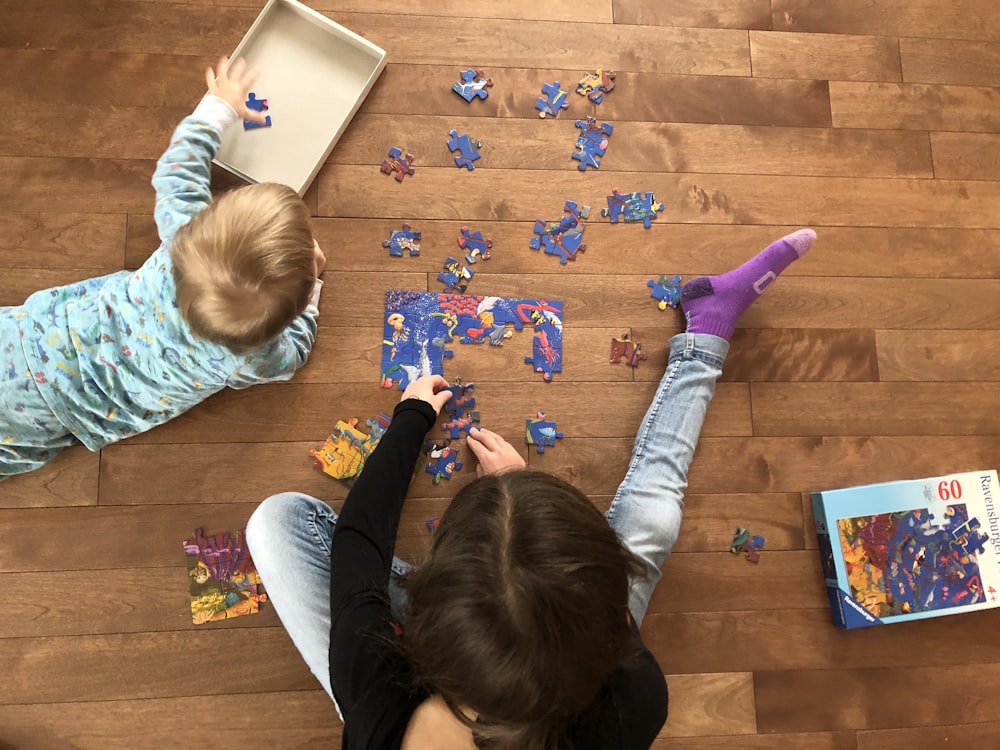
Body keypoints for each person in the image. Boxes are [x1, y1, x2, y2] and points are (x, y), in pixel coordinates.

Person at [246, 229, 817, 749]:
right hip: (558, 655)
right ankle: (708, 330)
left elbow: (358, 547)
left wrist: (412, 417)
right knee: (652, 526)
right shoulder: (633, 704)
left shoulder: (374, 688)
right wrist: (517, 487)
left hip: (428, 663)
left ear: (421, 630)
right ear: (606, 622)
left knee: (276, 522)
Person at [0, 57, 326, 480]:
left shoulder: (180, 235)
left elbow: (179, 169)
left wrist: (219, 106)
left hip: (29, 339)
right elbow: (295, 350)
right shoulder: (254, 356)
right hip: (65, 413)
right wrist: (313, 287)